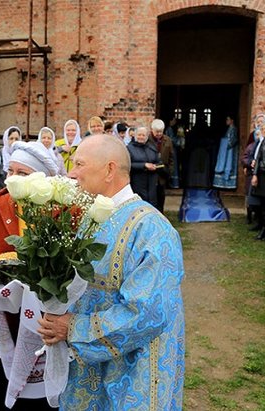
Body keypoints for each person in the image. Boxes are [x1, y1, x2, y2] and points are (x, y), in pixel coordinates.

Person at [38, 134, 185, 410]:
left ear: (109, 170)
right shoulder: (90, 219)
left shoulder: (152, 230)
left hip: (134, 375)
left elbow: (147, 313)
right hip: (87, 372)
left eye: (80, 164)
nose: (72, 173)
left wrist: (73, 327)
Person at [0, 141, 59, 411]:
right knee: (12, 386)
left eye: (22, 173)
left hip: (51, 316)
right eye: (10, 171)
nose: (13, 179)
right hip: (13, 311)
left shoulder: (59, 208)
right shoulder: (0, 206)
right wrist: (0, 266)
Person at [127, 125, 163, 208]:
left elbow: (159, 162)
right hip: (137, 182)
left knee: (152, 204)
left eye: (143, 135)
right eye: (139, 135)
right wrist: (144, 165)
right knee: (139, 205)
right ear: (135, 136)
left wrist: (156, 166)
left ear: (147, 137)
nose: (141, 137)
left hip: (152, 181)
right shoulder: (129, 148)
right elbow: (128, 164)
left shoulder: (151, 147)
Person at [150, 119, 175, 211]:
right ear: (152, 130)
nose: (159, 134)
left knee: (161, 196)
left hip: (162, 173)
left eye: (161, 131)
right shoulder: (147, 139)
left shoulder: (167, 140)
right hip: (150, 172)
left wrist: (170, 171)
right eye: (157, 132)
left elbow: (171, 158)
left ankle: (161, 215)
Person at [213, 115, 239, 189]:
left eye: (228, 119)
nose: (226, 121)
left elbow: (232, 141)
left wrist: (225, 143)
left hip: (230, 152)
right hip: (226, 151)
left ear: (232, 120)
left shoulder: (233, 129)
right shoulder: (230, 129)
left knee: (229, 164)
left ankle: (229, 184)